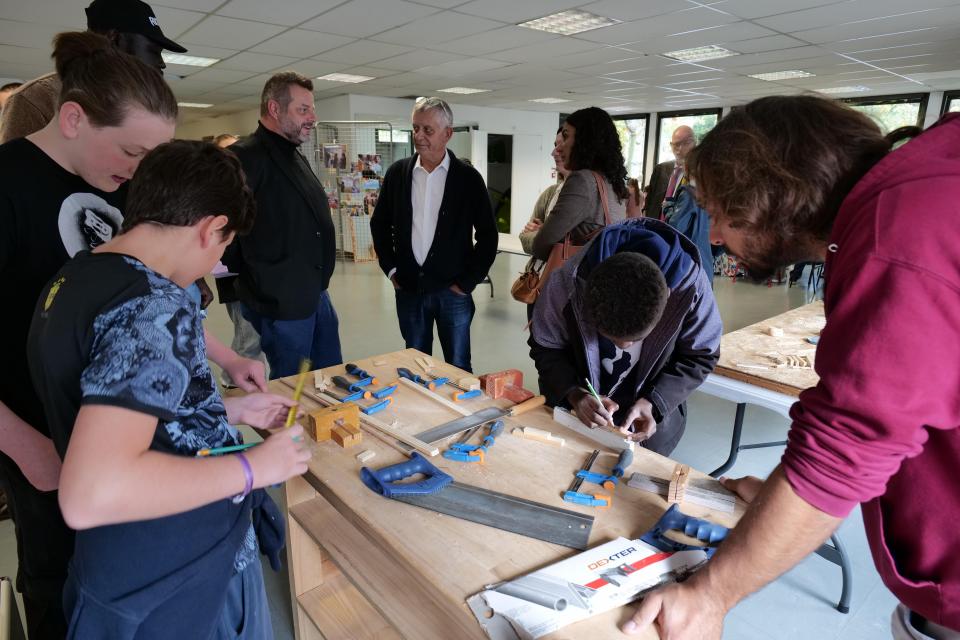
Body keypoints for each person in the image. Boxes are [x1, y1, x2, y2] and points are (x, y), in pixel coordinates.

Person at [622, 96, 960, 639]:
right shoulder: (925, 182)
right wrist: (785, 505)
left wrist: (710, 596)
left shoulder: (895, 235)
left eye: (719, 213)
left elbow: (843, 450)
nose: (713, 236)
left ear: (767, 200)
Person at [28, 139, 310, 639]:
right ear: (210, 229)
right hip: (182, 581)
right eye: (223, 247)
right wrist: (255, 468)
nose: (216, 261)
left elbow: (116, 412)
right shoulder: (153, 307)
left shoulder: (79, 276)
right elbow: (91, 493)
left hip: (122, 566)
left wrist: (231, 411)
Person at [0, 30, 178, 638]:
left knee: (117, 584)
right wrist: (28, 450)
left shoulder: (117, 187)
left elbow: (137, 289)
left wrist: (219, 355)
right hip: (39, 438)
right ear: (73, 118)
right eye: (131, 150)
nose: (137, 170)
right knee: (60, 590)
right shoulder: (8, 184)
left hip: (116, 428)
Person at [529, 218, 720, 454]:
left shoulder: (691, 289)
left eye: (635, 339)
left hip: (651, 425)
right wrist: (574, 393)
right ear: (587, 300)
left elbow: (701, 356)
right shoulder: (566, 284)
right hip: (575, 417)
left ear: (667, 298)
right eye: (610, 337)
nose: (624, 346)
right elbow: (546, 347)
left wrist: (656, 403)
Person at [226, 71, 343, 378]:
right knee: (294, 388)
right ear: (275, 109)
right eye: (303, 110)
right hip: (281, 304)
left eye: (312, 110)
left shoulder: (294, 154)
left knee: (329, 378)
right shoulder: (243, 157)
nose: (312, 118)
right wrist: (261, 281)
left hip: (316, 294)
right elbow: (223, 229)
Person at [370, 97, 498, 372]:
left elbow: (488, 236)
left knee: (458, 365)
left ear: (447, 134)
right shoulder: (397, 174)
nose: (419, 136)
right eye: (415, 128)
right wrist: (391, 270)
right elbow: (379, 224)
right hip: (409, 290)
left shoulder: (468, 179)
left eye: (427, 130)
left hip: (453, 293)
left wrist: (467, 283)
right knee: (416, 365)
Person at [0, 0, 186, 144]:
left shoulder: (144, 102)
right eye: (153, 52)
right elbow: (13, 176)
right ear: (114, 40)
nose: (162, 64)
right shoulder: (36, 98)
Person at [529, 107, 627, 261]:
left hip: (576, 274)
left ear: (584, 141)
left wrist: (532, 235)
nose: (558, 148)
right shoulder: (612, 182)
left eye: (566, 137)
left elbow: (540, 245)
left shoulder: (582, 181)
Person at [210, 132, 268, 388]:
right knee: (247, 335)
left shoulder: (248, 191)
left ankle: (240, 377)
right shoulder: (216, 195)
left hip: (255, 275)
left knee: (253, 334)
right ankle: (236, 383)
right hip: (233, 278)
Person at [643, 125, 695, 220]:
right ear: (671, 145)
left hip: (679, 226)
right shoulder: (660, 169)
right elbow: (649, 201)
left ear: (694, 143)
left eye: (686, 143)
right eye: (676, 144)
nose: (680, 148)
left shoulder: (697, 174)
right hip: (655, 225)